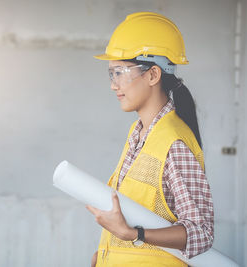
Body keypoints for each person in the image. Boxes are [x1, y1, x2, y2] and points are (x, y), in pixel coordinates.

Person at [85, 12, 214, 267]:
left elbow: (202, 232)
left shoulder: (173, 142)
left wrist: (134, 235)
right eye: (111, 74)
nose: (114, 84)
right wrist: (107, 255)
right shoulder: (138, 133)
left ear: (153, 75)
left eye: (120, 72)